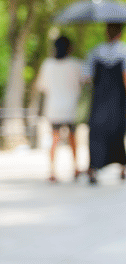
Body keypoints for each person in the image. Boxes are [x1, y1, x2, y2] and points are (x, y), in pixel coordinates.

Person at [82, 23, 126, 185]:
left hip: (99, 100)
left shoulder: (95, 51)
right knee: (118, 133)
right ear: (120, 33)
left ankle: (94, 168)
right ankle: (122, 167)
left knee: (96, 134)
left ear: (106, 33)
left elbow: (86, 77)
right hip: (118, 101)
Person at [34, 35, 83, 182]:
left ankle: (52, 170)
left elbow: (41, 86)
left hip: (54, 106)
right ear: (70, 48)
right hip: (71, 106)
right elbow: (85, 81)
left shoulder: (47, 64)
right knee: (73, 137)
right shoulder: (76, 64)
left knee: (54, 138)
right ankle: (75, 167)